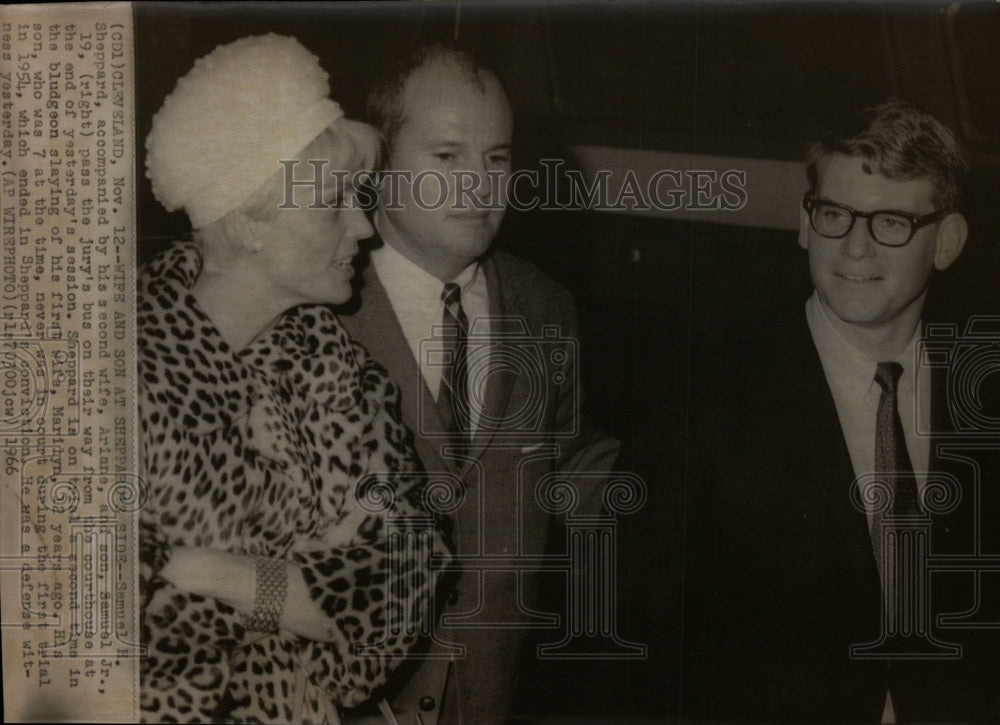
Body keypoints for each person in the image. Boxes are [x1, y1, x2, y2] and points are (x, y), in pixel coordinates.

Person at [138, 34, 449, 724]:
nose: (363, 225)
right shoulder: (108, 370)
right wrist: (302, 588)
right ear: (251, 218)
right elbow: (83, 626)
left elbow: (399, 592)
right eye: (334, 200)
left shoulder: (341, 376)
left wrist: (197, 568)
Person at [681, 98, 1000, 722]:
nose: (855, 247)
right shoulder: (708, 389)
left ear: (947, 241)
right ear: (805, 223)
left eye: (890, 222)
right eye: (835, 214)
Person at [338, 44, 622, 725]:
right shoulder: (320, 306)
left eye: (496, 158)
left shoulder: (545, 306)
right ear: (378, 163)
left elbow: (572, 467)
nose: (479, 183)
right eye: (447, 157)